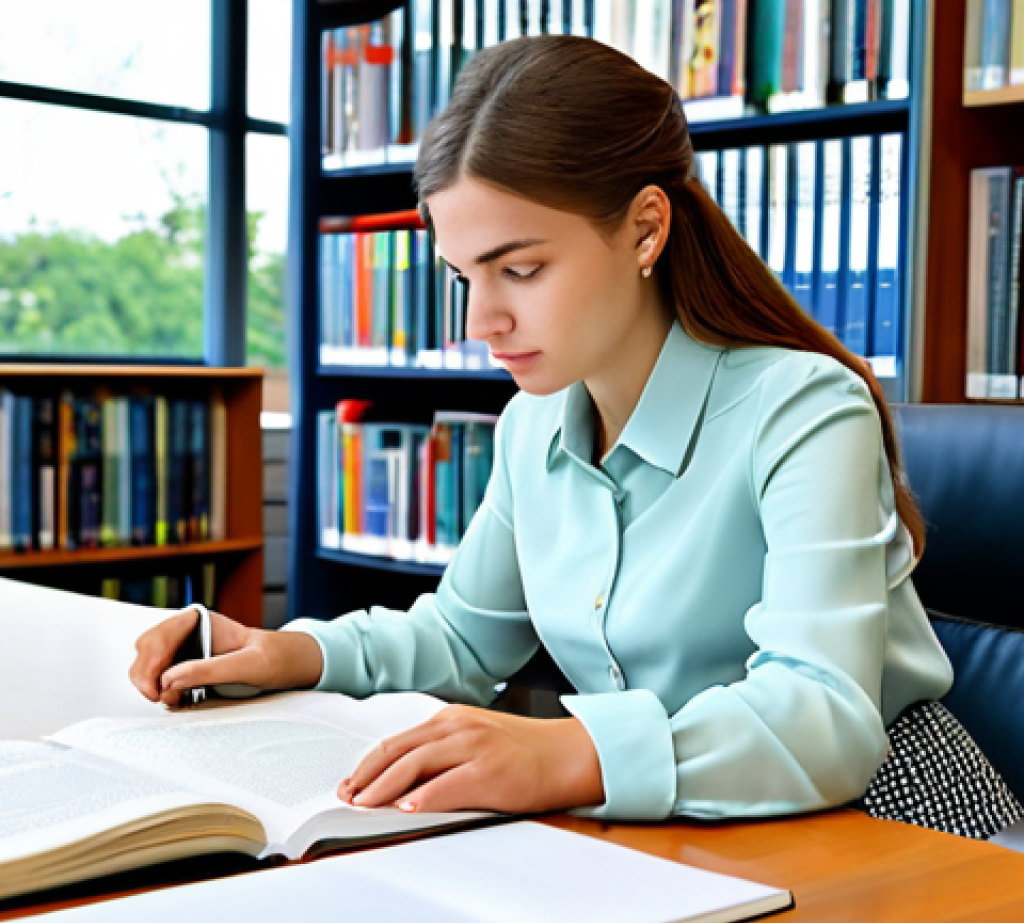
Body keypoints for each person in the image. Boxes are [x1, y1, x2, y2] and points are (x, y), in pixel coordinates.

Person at [131, 35, 1020, 837]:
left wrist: (563, 754)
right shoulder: (533, 428)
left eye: (521, 269)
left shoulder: (803, 407)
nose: (483, 317)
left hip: (886, 816)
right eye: (463, 276)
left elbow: (819, 716)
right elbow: (465, 643)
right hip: (675, 816)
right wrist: (287, 650)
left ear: (644, 229)